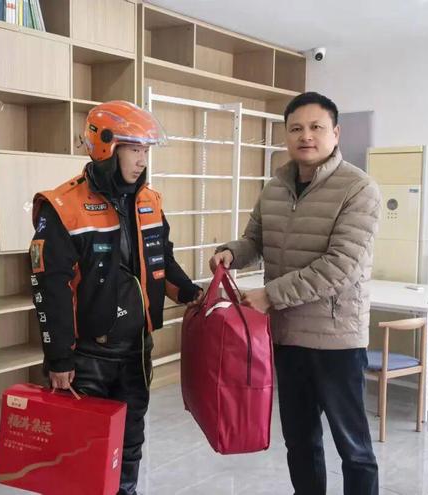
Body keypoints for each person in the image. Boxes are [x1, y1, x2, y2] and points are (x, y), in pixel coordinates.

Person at [210, 92, 381, 495]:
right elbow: (255, 240)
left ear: (336, 133)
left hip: (336, 340)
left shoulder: (359, 188)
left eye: (316, 127)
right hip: (286, 337)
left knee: (353, 448)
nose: (306, 136)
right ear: (286, 135)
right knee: (300, 442)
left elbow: (341, 265)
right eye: (296, 128)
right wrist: (232, 252)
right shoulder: (275, 187)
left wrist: (271, 296)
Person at [30, 101, 202, 495]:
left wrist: (191, 292)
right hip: (87, 356)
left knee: (130, 440)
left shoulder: (149, 201)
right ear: (106, 147)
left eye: (146, 150)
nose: (142, 160)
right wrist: (59, 358)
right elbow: (50, 288)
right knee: (81, 450)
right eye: (134, 149)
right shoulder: (63, 207)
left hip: (136, 351)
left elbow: (162, 261)